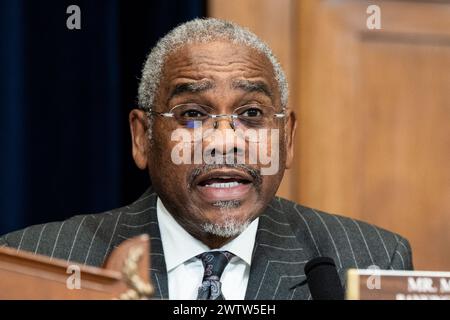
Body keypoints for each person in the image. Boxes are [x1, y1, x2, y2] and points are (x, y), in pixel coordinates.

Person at [0, 18, 413, 300]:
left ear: (286, 139)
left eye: (251, 114)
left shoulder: (369, 261)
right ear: (143, 138)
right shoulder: (39, 262)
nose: (224, 141)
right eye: (193, 115)